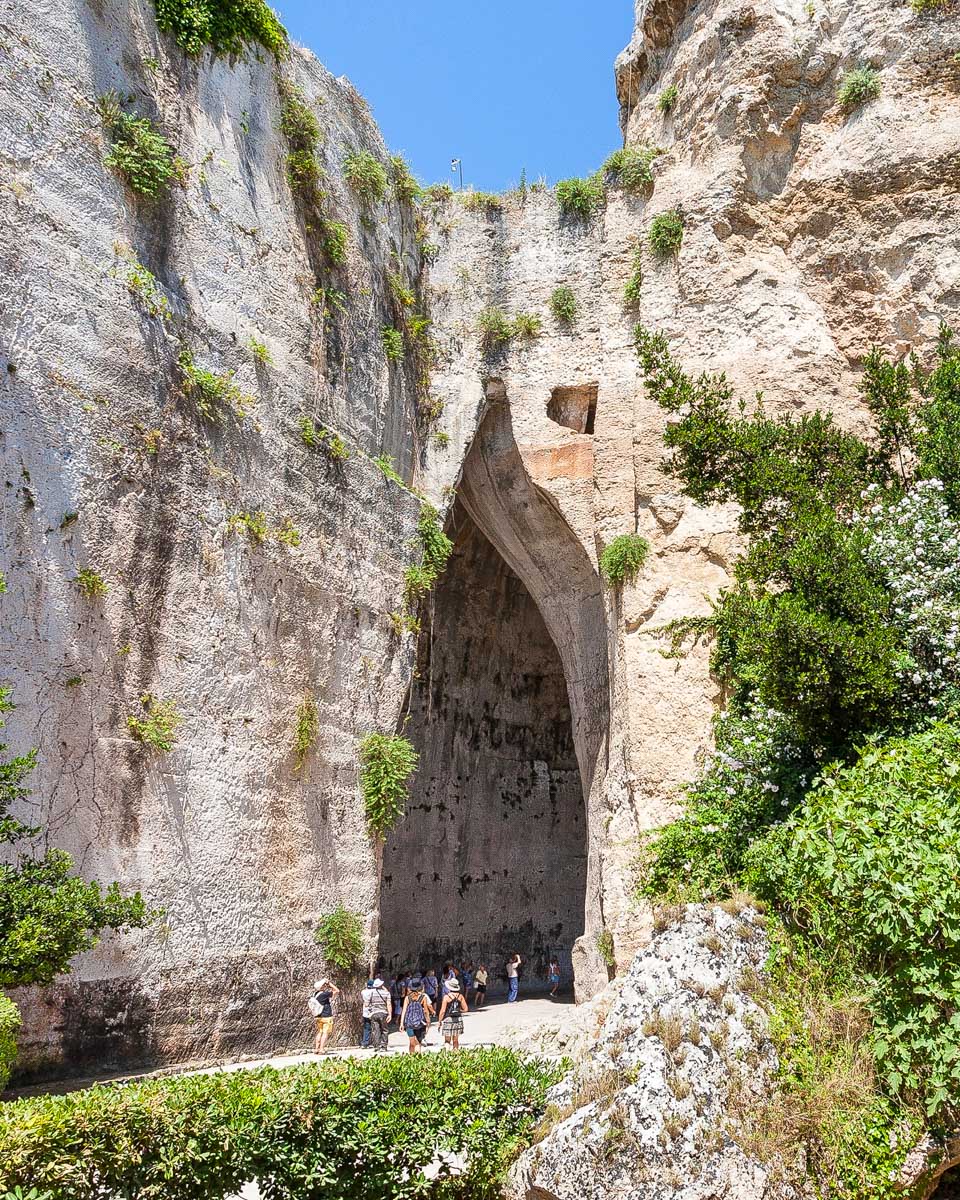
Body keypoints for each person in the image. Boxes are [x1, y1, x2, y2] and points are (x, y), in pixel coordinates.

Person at [399, 976, 434, 1054]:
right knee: (418, 1042)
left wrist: (401, 1023)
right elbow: (425, 1011)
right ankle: (417, 1060)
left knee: (412, 1043)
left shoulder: (407, 998)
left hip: (409, 1023)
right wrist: (428, 1021)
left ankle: (411, 1059)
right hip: (419, 1023)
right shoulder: (423, 997)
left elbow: (404, 1011)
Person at [308, 978, 340, 1054]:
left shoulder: (315, 994)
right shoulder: (324, 994)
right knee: (325, 1033)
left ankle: (316, 1048)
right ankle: (321, 1049)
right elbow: (337, 991)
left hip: (318, 1016)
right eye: (323, 985)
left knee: (320, 1032)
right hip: (326, 1016)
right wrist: (329, 984)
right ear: (321, 987)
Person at [361, 976, 392, 1052]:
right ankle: (384, 1046)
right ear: (381, 985)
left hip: (374, 1014)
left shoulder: (371, 993)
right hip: (383, 1013)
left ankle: (377, 1046)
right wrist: (390, 1014)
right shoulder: (386, 993)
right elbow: (389, 1004)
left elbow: (366, 1004)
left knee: (376, 1030)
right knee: (384, 1030)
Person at [438, 979, 468, 1049]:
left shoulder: (446, 997)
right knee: (455, 1040)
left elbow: (442, 1011)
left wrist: (440, 1021)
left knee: (447, 1041)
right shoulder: (460, 996)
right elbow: (466, 1009)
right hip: (458, 1019)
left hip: (448, 1019)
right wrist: (458, 1010)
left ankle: (446, 1056)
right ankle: (456, 1056)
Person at [360, 977, 375, 1048]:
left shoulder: (363, 991)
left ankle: (365, 1042)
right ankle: (375, 1042)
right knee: (375, 1027)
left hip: (365, 1011)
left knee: (366, 1027)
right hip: (372, 1010)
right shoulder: (374, 992)